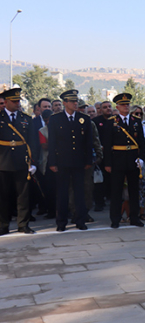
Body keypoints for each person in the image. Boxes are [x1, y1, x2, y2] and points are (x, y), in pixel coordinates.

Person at [47, 89, 93, 231]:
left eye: (76, 101)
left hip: (79, 162)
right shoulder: (55, 119)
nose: (75, 103)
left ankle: (80, 220)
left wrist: (88, 161)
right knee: (62, 193)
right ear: (64, 103)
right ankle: (61, 222)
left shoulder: (84, 119)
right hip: (62, 162)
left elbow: (88, 142)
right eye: (72, 101)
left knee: (80, 192)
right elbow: (52, 143)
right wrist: (52, 162)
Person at [102, 93, 145, 228]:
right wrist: (108, 163)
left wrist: (142, 158)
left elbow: (142, 142)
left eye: (127, 104)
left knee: (134, 191)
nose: (126, 107)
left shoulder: (136, 121)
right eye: (123, 105)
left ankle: (134, 217)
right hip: (117, 160)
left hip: (132, 159)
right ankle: (115, 219)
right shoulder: (111, 122)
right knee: (116, 191)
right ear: (117, 107)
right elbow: (107, 144)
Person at [0, 88, 39, 235]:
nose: (17, 104)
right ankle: (3, 225)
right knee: (3, 196)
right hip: (2, 161)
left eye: (18, 101)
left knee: (23, 196)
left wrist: (32, 162)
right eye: (14, 101)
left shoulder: (26, 118)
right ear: (7, 102)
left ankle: (23, 224)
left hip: (21, 161)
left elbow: (32, 142)